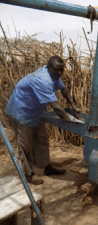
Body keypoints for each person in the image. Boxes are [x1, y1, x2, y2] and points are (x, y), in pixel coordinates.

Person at [5, 56, 81, 185]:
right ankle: (29, 174)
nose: (60, 73)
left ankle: (47, 168)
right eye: (57, 70)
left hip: (37, 110)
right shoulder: (42, 80)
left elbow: (63, 89)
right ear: (49, 66)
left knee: (42, 139)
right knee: (26, 145)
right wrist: (74, 123)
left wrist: (73, 105)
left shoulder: (54, 75)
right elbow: (57, 107)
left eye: (62, 70)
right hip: (22, 111)